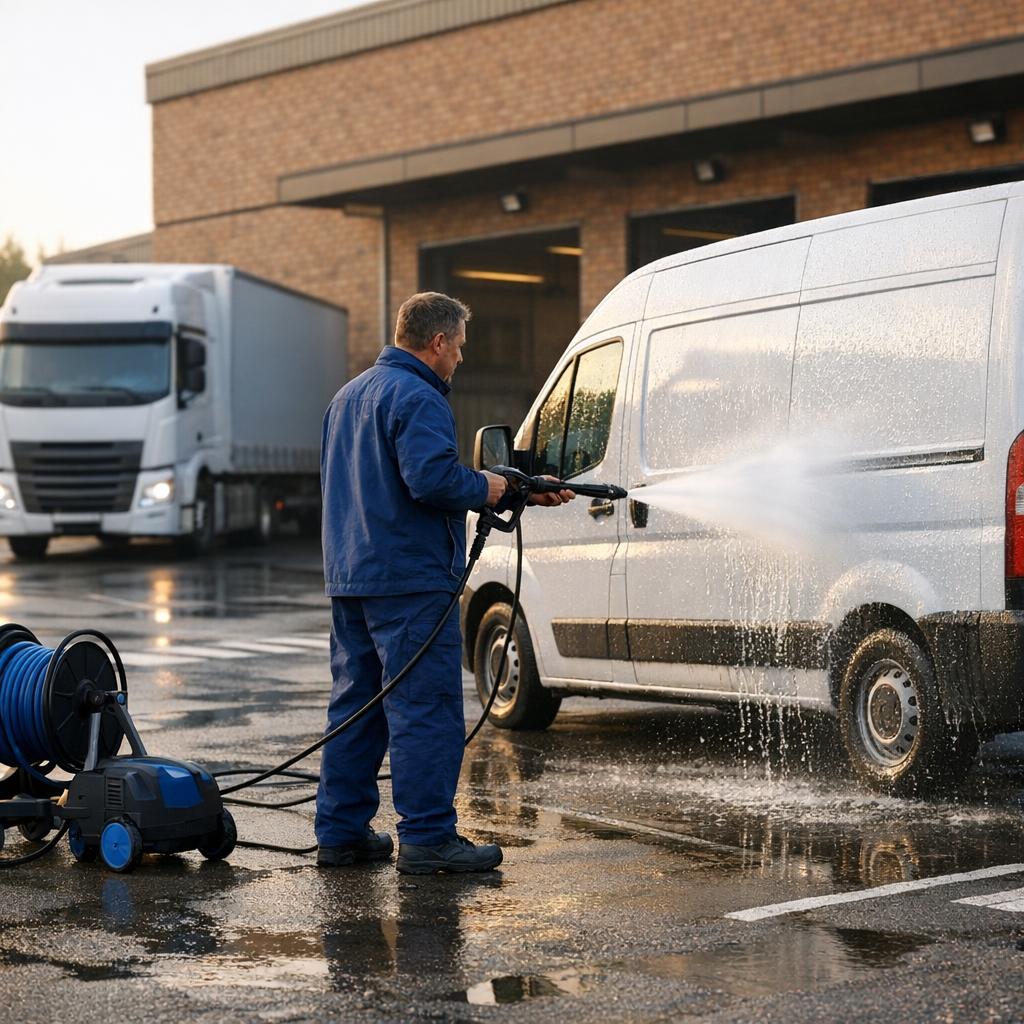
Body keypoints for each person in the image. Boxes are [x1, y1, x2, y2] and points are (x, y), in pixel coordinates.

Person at [315, 291, 574, 874]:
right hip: (409, 581)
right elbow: (431, 481)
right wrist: (496, 486)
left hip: (351, 578)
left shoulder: (346, 397)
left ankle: (340, 833)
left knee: (356, 706)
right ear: (437, 343)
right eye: (458, 347)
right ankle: (430, 839)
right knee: (424, 709)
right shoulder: (419, 395)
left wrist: (504, 483)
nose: (459, 359)